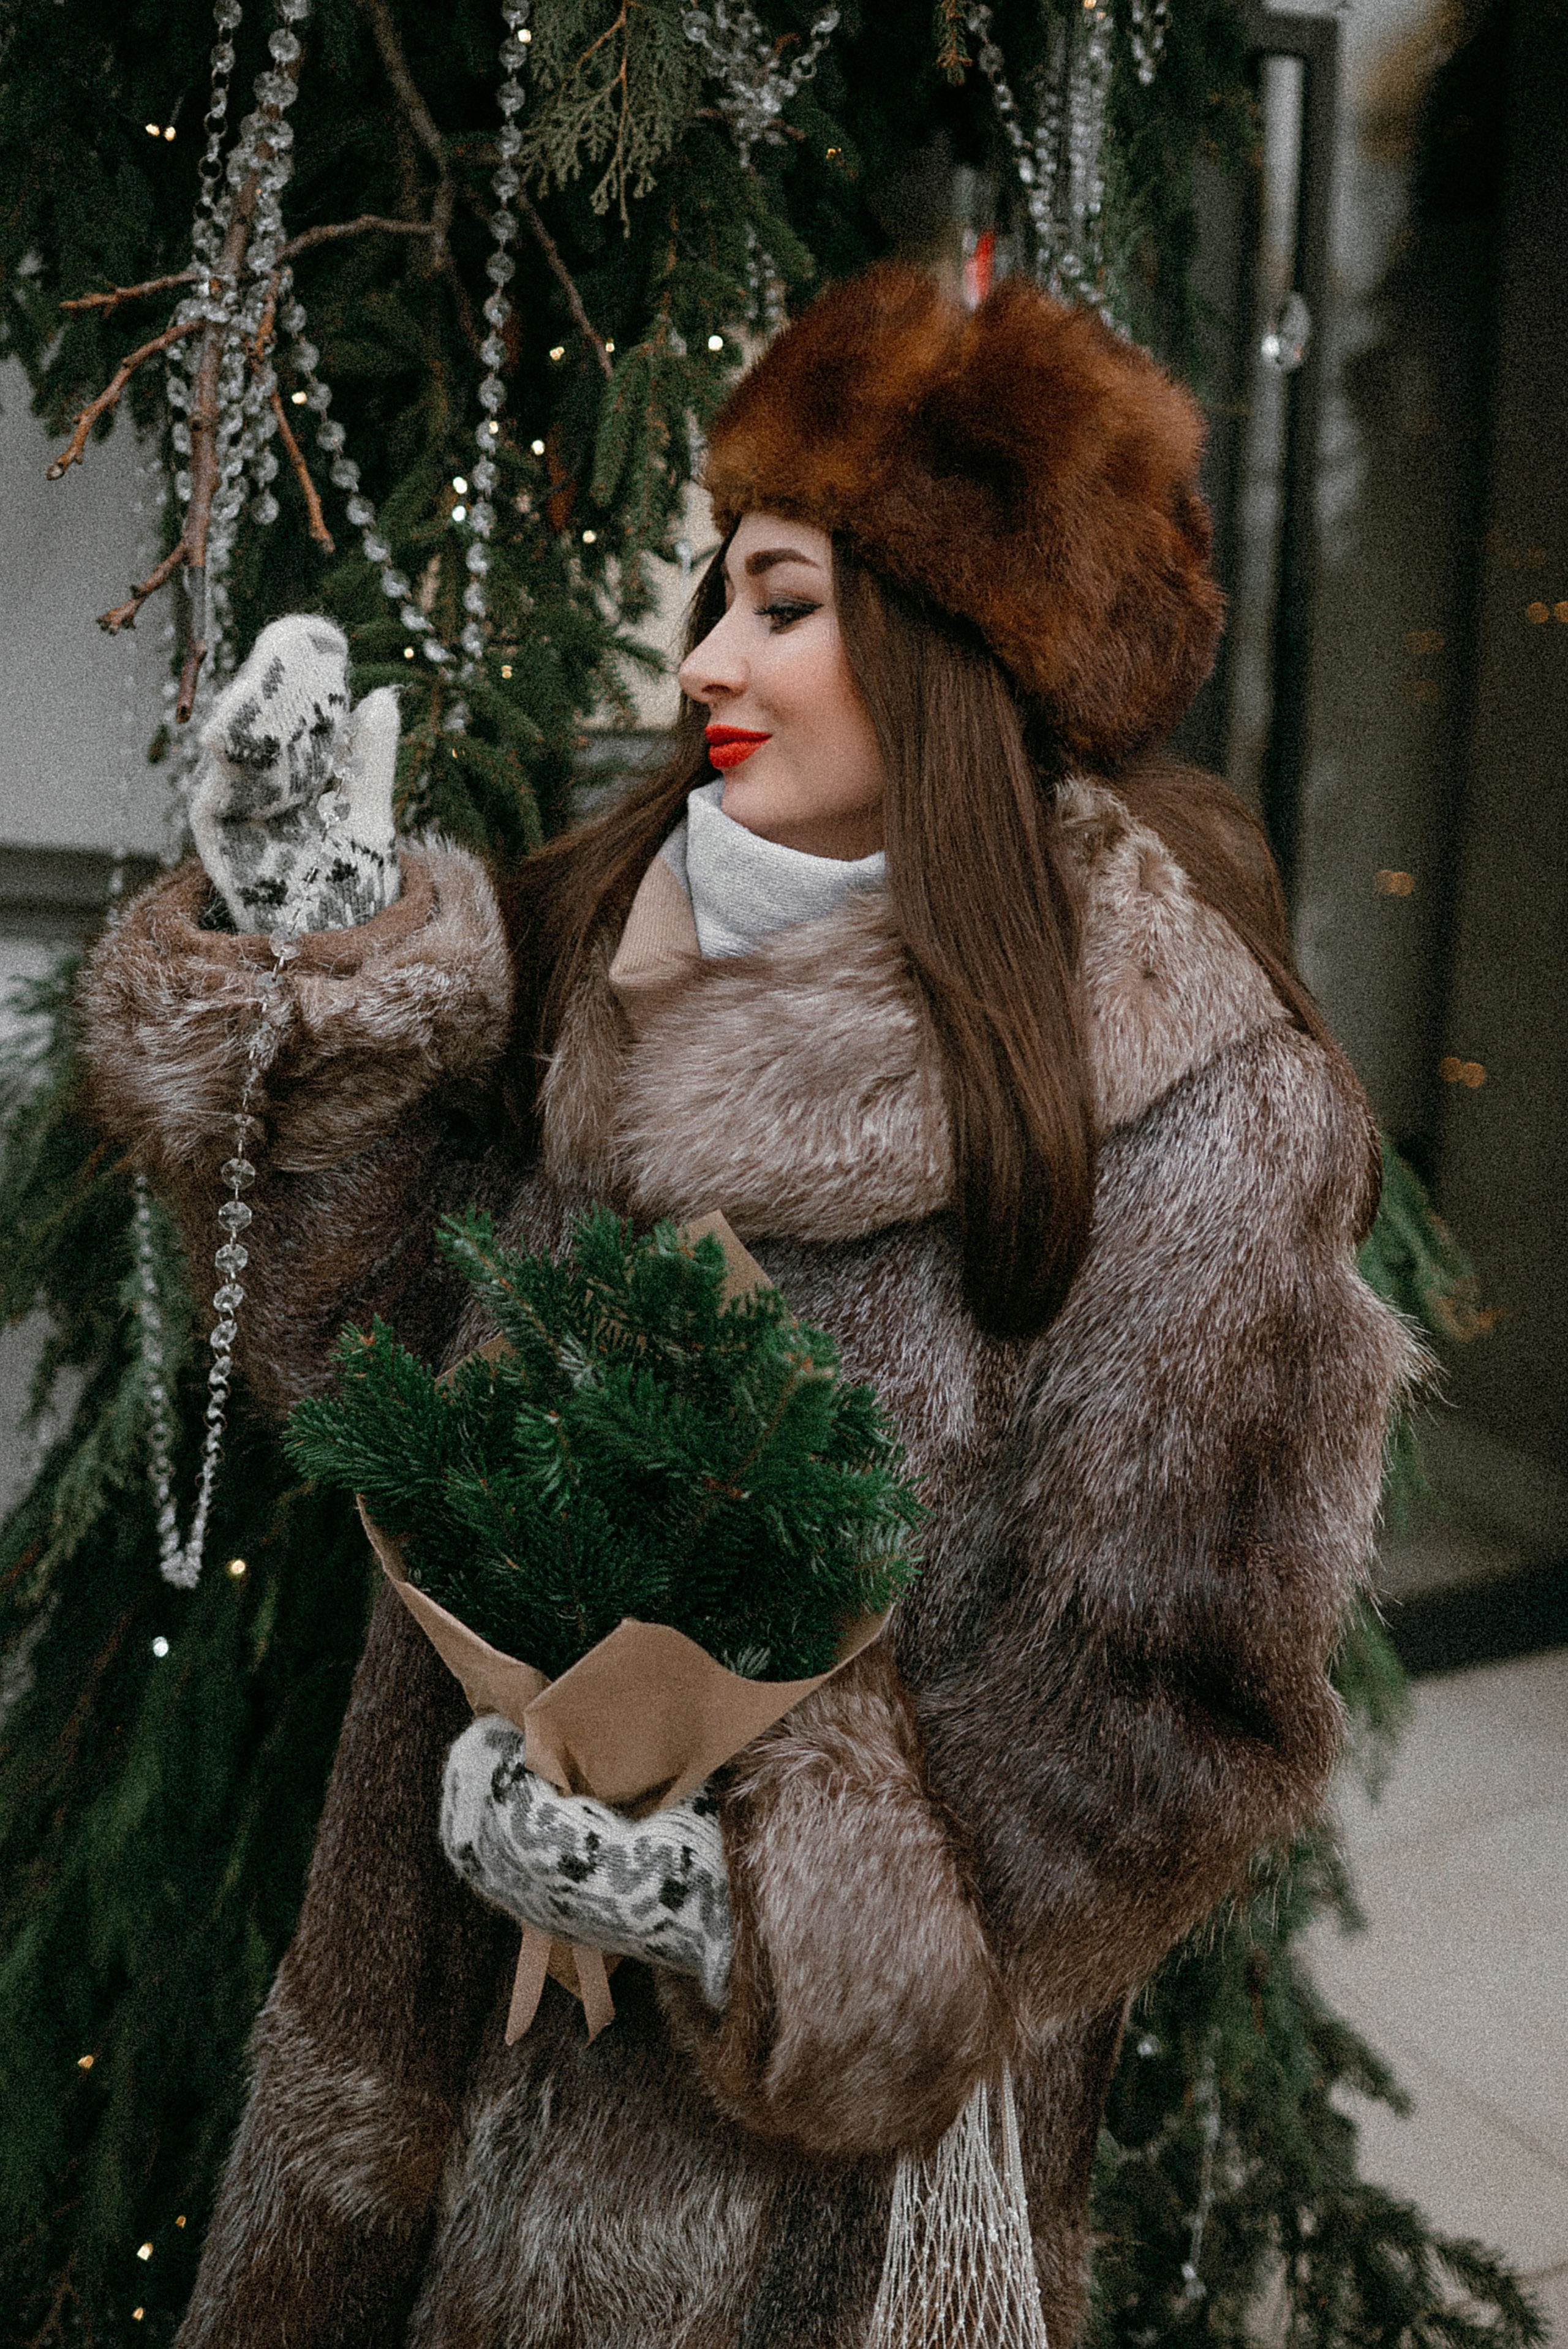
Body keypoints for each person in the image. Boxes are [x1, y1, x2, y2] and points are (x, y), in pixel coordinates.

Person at [81, 264, 1412, 2349]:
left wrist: (755, 1900)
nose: (706, 654)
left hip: (792, 2207)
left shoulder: (1196, 1103)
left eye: (781, 601)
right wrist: (317, 963)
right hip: (420, 2029)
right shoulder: (629, 923)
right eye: (723, 588)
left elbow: (1174, 1720)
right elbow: (397, 1381)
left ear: (956, 638)